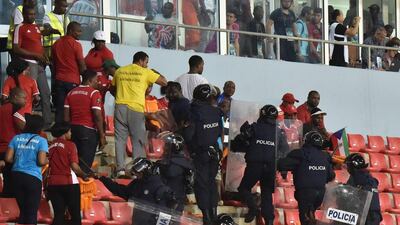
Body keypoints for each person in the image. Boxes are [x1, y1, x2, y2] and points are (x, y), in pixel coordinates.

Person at [112, 51, 167, 177]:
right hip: (136, 109)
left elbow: (113, 88)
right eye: (146, 62)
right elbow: (164, 82)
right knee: (138, 141)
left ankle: (120, 170)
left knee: (120, 140)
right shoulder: (146, 72)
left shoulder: (120, 71)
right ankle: (136, 170)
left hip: (120, 107)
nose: (146, 65)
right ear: (142, 61)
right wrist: (155, 73)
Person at [230, 105, 289, 224]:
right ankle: (269, 221)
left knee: (244, 188)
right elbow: (285, 150)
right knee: (267, 194)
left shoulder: (254, 128)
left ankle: (253, 208)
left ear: (262, 114)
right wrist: (282, 168)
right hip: (271, 167)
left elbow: (237, 143)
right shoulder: (279, 132)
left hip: (255, 165)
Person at [182, 84, 222, 225]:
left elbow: (188, 134)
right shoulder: (216, 112)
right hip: (215, 152)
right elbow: (219, 132)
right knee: (211, 183)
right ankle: (214, 215)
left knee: (202, 185)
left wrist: (193, 150)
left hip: (201, 153)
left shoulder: (193, 112)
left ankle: (207, 217)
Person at [278, 131, 335, 225]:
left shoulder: (300, 153)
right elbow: (331, 176)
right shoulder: (325, 156)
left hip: (305, 193)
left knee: (305, 218)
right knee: (311, 215)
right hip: (320, 194)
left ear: (306, 141)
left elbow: (282, 164)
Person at [98, 157, 178, 224]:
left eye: (138, 174)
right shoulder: (138, 184)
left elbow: (165, 214)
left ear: (145, 172)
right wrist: (104, 180)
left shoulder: (159, 187)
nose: (136, 176)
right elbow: (121, 191)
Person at [5, 114, 48, 225]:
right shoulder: (41, 141)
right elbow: (41, 161)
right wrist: (48, 160)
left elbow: (8, 158)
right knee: (31, 212)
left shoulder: (16, 138)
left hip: (16, 176)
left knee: (23, 211)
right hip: (33, 178)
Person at [13, 6, 52, 128]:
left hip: (40, 64)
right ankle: (26, 120)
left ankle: (47, 123)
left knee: (45, 93)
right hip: (29, 64)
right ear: (24, 14)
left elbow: (38, 45)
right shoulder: (20, 27)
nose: (33, 16)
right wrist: (35, 55)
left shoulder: (36, 27)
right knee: (30, 94)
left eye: (34, 14)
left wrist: (44, 57)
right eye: (30, 14)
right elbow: (16, 48)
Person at [47, 122, 89, 225]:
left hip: (53, 183)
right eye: (69, 131)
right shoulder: (70, 145)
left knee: (58, 215)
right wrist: (84, 175)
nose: (71, 133)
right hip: (69, 182)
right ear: (65, 132)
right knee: (75, 216)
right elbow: (74, 166)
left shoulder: (50, 145)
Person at [64, 70, 106, 173]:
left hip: (73, 131)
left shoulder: (71, 92)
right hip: (88, 131)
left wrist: (67, 131)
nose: (98, 82)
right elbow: (97, 115)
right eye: (96, 80)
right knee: (85, 166)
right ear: (90, 80)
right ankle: (82, 187)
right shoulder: (94, 93)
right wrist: (101, 135)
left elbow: (66, 116)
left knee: (74, 162)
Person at [52, 21, 86, 123]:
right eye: (78, 31)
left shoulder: (56, 44)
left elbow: (53, 62)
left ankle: (59, 132)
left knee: (60, 107)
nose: (80, 33)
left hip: (58, 79)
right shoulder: (76, 45)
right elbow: (82, 64)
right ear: (71, 31)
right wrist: (85, 77)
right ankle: (71, 130)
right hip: (73, 81)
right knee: (73, 108)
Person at [156, 133, 193, 213]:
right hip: (176, 198)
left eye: (167, 146)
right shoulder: (185, 162)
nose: (164, 148)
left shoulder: (174, 164)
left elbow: (171, 173)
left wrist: (161, 167)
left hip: (172, 199)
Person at [0, 88, 26, 196]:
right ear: (15, 97)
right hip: (12, 149)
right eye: (23, 98)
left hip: (1, 149)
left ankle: (6, 207)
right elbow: (25, 127)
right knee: (16, 179)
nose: (26, 101)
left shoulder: (2, 109)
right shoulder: (14, 110)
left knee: (7, 179)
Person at [344, 153, 382, 225]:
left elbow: (351, 194)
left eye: (348, 166)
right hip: (374, 216)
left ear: (351, 166)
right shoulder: (370, 178)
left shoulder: (357, 178)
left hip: (366, 217)